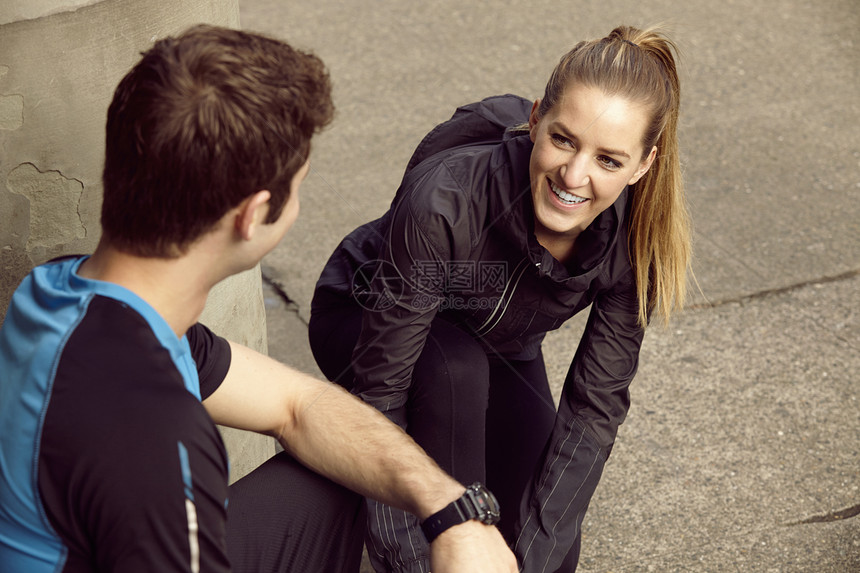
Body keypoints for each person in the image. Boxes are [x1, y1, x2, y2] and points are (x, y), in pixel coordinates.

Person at [0, 25, 517, 573]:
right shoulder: (159, 441)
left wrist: (449, 508)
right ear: (252, 216)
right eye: (299, 185)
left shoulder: (68, 291)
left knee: (342, 471)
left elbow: (297, 406)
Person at [309, 25, 692, 572]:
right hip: (366, 321)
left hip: (501, 347)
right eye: (563, 139)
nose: (575, 175)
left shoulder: (637, 241)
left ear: (642, 166)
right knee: (453, 376)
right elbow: (382, 388)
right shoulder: (446, 199)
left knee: (549, 547)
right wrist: (415, 557)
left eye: (609, 160)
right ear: (535, 119)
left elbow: (593, 409)